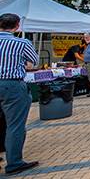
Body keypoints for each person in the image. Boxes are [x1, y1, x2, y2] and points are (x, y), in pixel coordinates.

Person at [0, 13, 40, 174]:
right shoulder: (21, 43)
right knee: (15, 124)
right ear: (17, 26)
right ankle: (14, 161)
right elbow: (33, 61)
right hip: (12, 84)